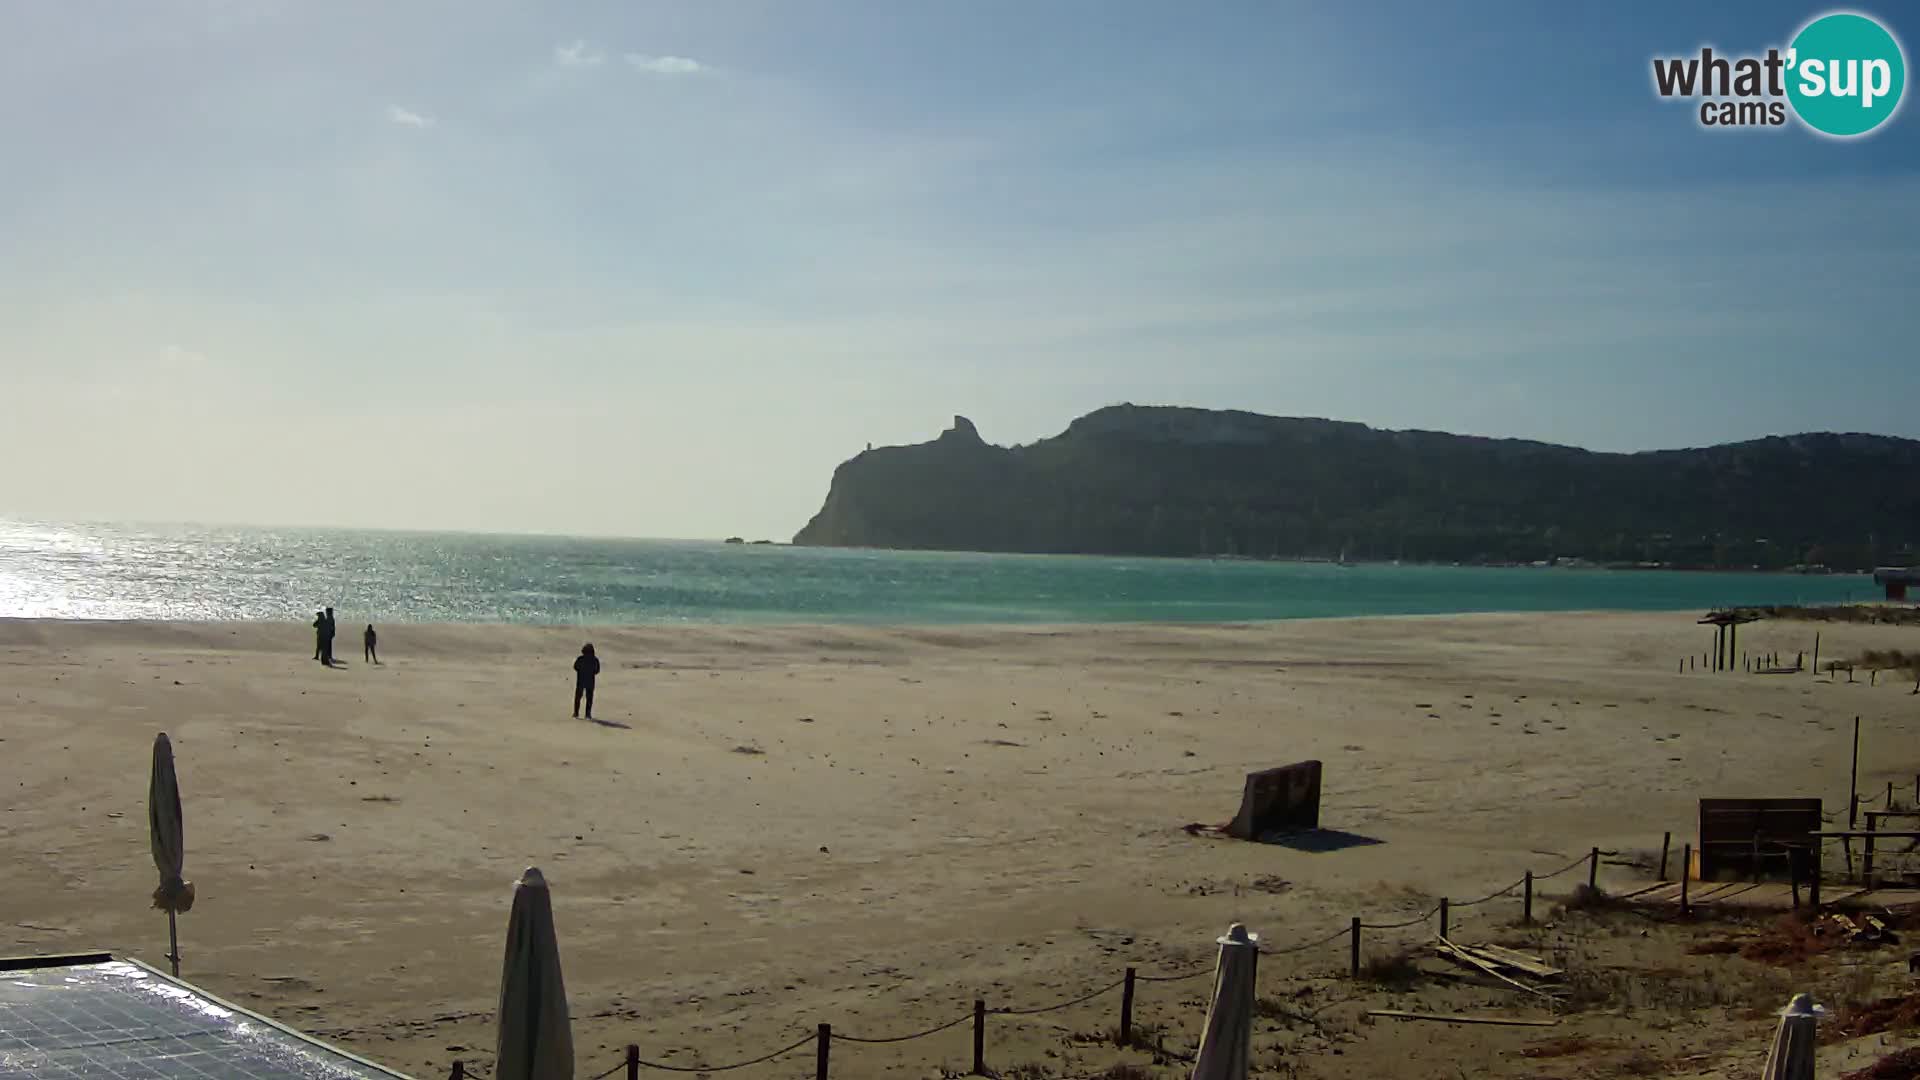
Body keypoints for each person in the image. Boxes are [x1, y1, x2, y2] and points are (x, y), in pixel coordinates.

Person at [571, 643, 600, 719]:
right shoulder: (595, 660)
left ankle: (576, 713)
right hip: (590, 681)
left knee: (578, 697)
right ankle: (587, 714)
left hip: (581, 680)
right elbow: (597, 670)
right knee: (589, 698)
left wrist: (581, 672)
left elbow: (575, 667)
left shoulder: (580, 659)